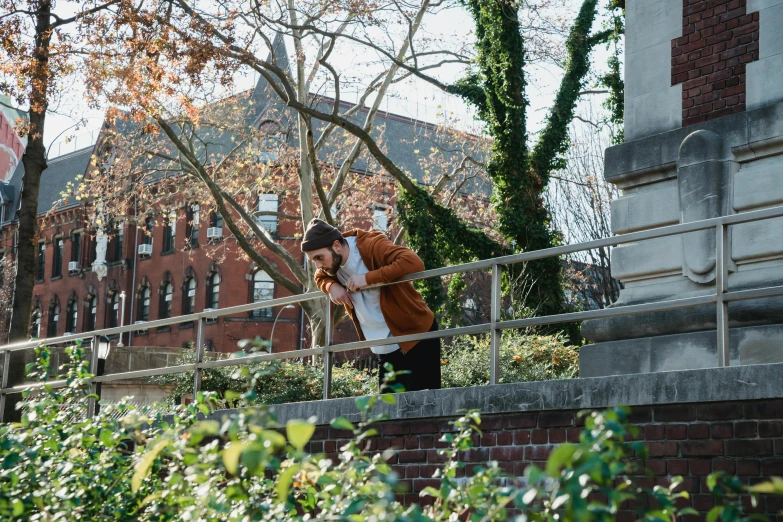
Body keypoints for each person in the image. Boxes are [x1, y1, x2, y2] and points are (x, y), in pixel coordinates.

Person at [301, 218, 441, 392]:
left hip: (416, 335)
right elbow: (319, 277)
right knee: (389, 412)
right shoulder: (331, 265)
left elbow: (413, 262)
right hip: (385, 346)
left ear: (336, 246)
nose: (319, 265)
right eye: (313, 260)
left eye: (319, 258)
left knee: (427, 405)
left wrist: (367, 279)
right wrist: (331, 286)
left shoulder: (370, 245)